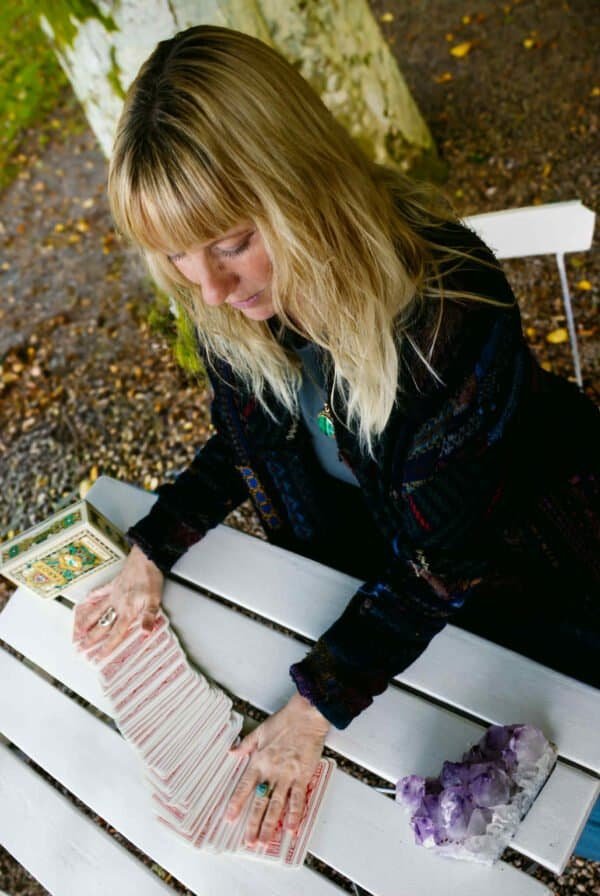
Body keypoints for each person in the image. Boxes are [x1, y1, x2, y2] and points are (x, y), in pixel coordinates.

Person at [73, 25, 600, 852]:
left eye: (233, 242)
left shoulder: (447, 307)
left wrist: (316, 705)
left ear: (302, 184)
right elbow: (247, 441)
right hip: (399, 612)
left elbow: (444, 563)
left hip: (547, 586)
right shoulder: (242, 305)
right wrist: (151, 549)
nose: (209, 289)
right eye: (177, 255)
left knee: (561, 809)